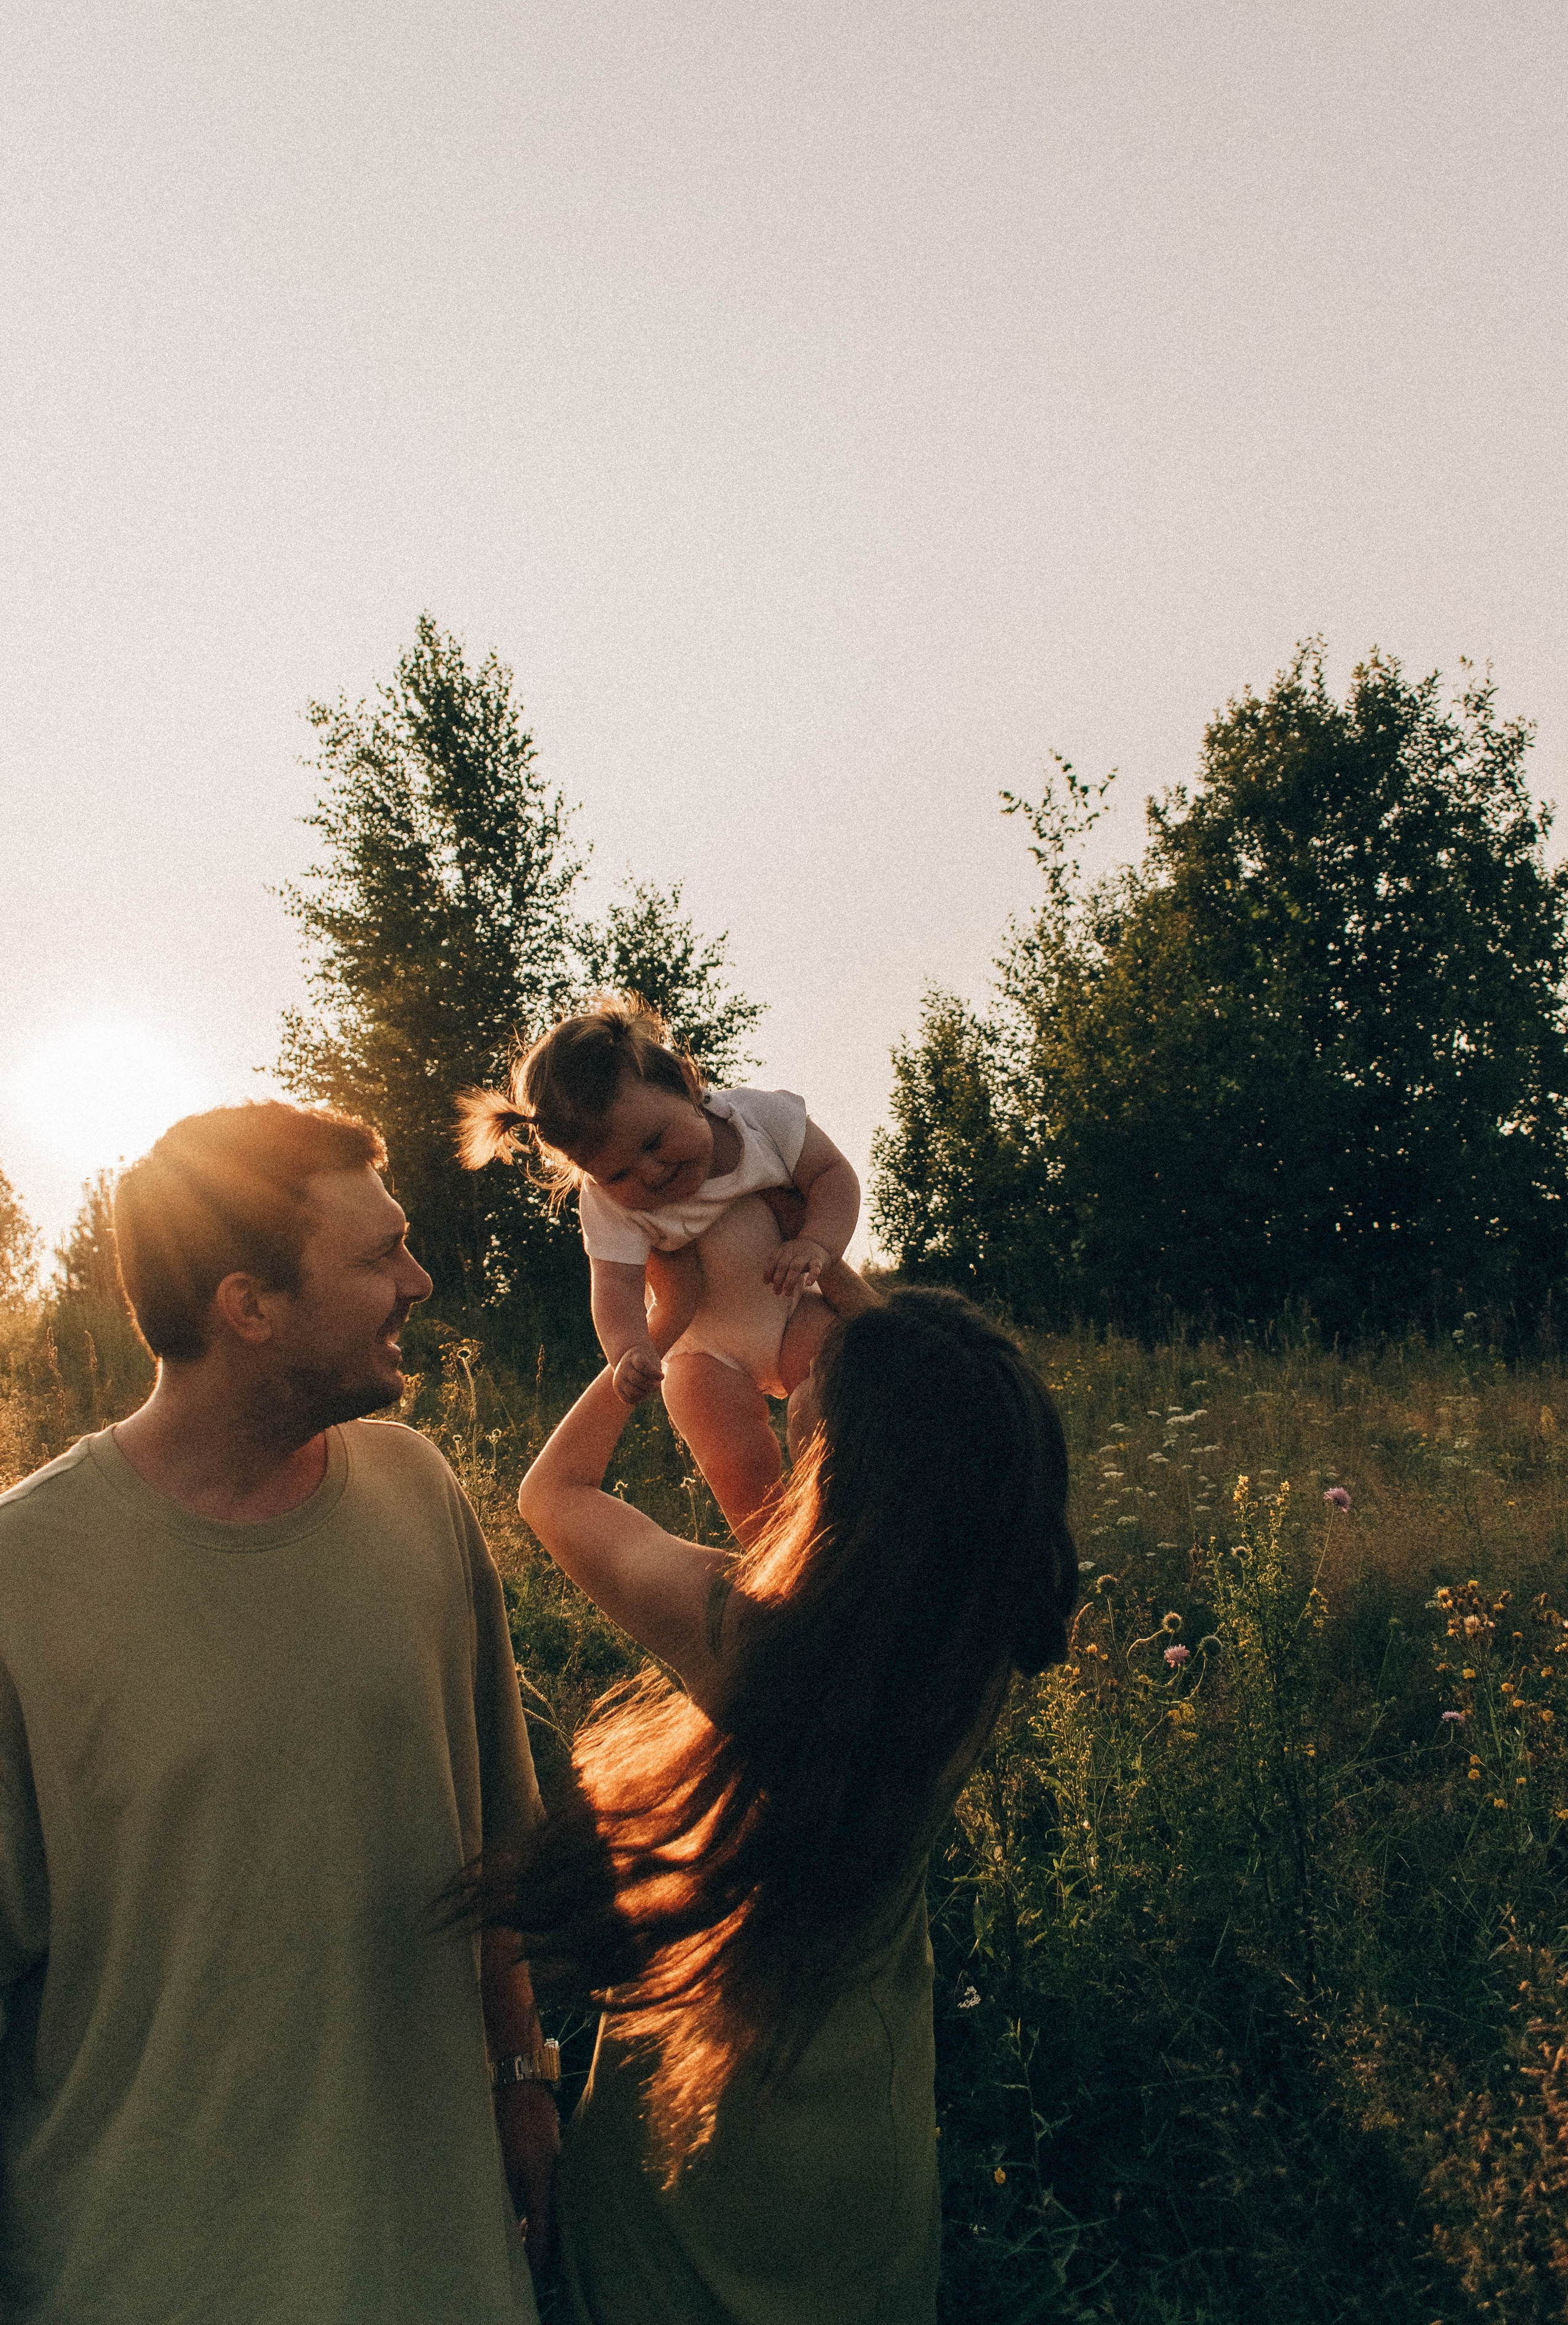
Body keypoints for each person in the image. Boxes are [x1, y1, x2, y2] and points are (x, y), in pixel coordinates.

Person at [0, 1102, 557, 2325]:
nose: (417, 1280)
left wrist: (522, 2079)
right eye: (376, 1257)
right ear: (247, 1307)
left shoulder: (419, 1495)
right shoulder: (21, 1580)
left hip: (444, 2267)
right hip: (142, 2275)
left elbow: (494, 1860)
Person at [476, 1271, 1079, 2325]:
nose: (791, 1372)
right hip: (866, 2156)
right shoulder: (979, 1638)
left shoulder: (749, 1638)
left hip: (691, 2140)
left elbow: (552, 1495)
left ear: (841, 1462)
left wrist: (650, 1348)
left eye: (812, 1385)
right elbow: (959, 1430)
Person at [457, 994, 860, 1533]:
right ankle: (773, 1551)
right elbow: (616, 1288)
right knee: (733, 1461)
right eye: (618, 1173)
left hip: (793, 1313)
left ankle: (845, 1518)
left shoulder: (762, 1120)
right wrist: (629, 1349)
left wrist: (816, 1242)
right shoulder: (605, 1206)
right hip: (703, 1351)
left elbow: (833, 1178)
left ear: (687, 1083)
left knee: (831, 1394)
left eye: (654, 1142)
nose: (648, 1174)